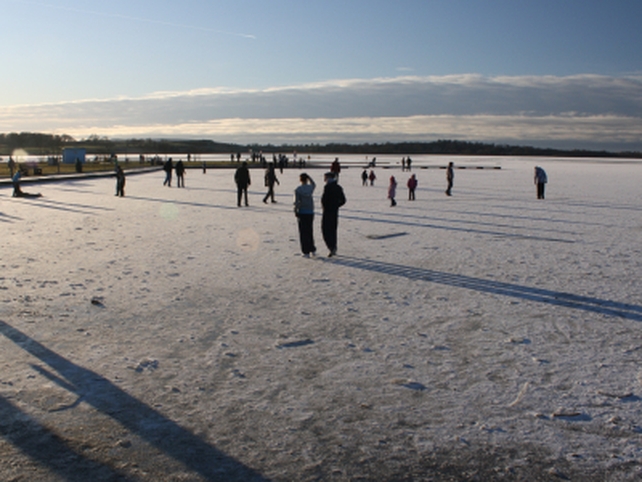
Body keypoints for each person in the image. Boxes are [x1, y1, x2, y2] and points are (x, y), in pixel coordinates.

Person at [321, 172, 346, 257]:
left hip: (327, 212)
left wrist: (327, 207)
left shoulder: (327, 187)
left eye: (325, 177)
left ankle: (331, 247)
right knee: (333, 230)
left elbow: (324, 200)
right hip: (334, 212)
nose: (324, 179)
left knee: (326, 230)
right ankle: (333, 246)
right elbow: (343, 200)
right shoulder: (338, 187)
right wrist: (336, 206)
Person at [294, 173, 316, 257]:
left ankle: (306, 251)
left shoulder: (298, 189)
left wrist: (295, 210)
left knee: (303, 232)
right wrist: (309, 177)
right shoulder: (310, 188)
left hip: (302, 212)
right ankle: (312, 249)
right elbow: (314, 184)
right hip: (310, 211)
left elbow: (296, 202)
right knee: (310, 231)